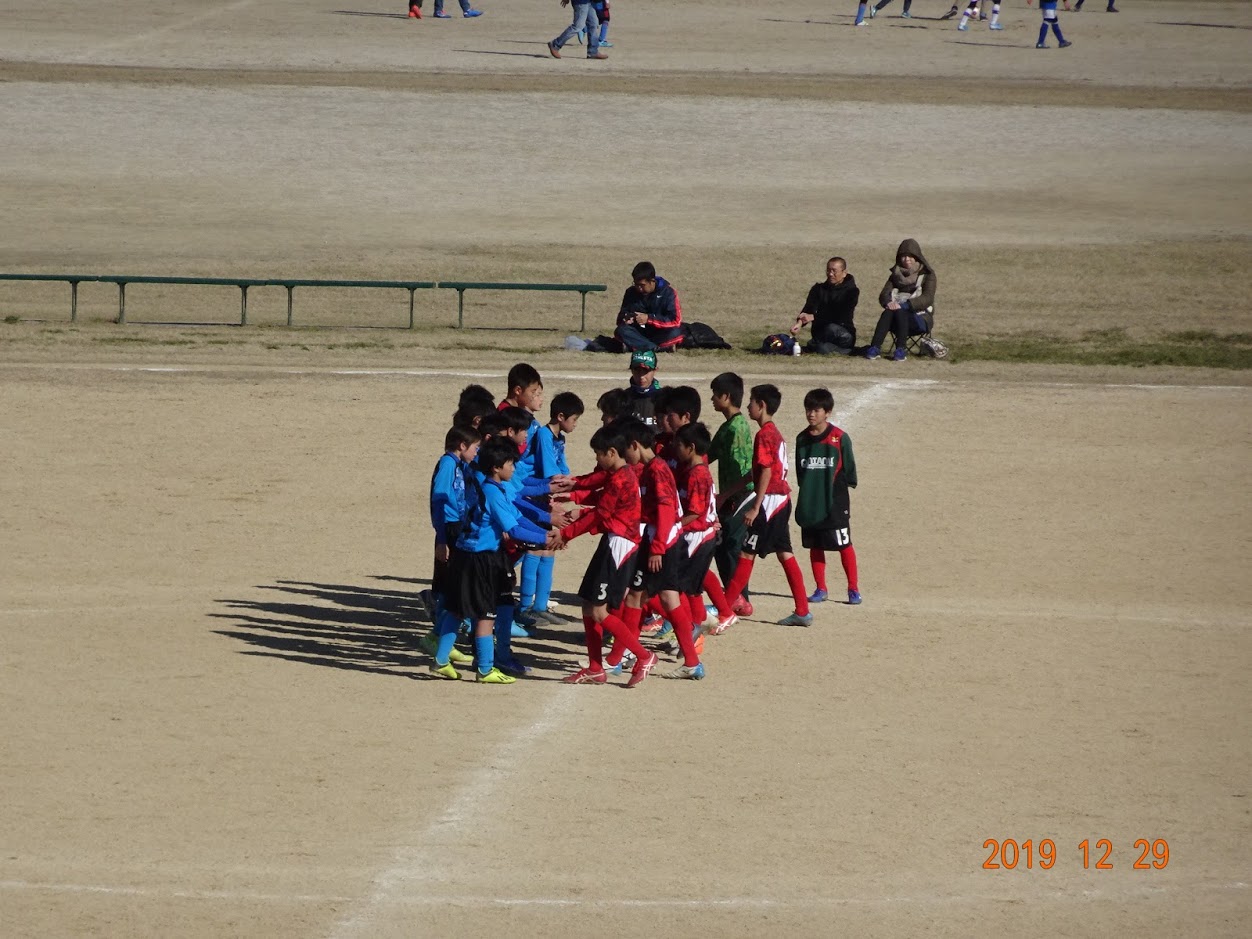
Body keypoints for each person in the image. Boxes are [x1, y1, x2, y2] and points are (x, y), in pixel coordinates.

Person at [547, 425, 658, 686]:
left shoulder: (620, 479)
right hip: (613, 542)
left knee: (598, 610)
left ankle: (644, 656)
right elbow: (598, 493)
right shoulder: (621, 474)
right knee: (588, 604)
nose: (597, 459)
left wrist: (566, 534)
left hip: (618, 547)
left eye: (599, 454)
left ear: (611, 452)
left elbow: (600, 514)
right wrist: (574, 490)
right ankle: (596, 667)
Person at [432, 438, 549, 683]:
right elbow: (514, 529)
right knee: (486, 615)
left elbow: (516, 517)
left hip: (463, 556)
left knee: (456, 610)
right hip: (480, 560)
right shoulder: (494, 493)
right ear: (496, 467)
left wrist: (545, 532)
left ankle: (441, 661)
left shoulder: (486, 487)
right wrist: (546, 539)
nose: (514, 469)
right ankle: (485, 669)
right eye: (510, 464)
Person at [722, 384, 814, 628]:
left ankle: (724, 609)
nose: (748, 406)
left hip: (770, 501)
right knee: (784, 553)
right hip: (781, 500)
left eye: (752, 401)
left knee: (746, 552)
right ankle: (802, 611)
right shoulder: (773, 433)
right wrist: (726, 494)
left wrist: (756, 506)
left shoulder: (764, 435)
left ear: (761, 405)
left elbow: (765, 472)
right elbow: (755, 472)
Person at [517, 392, 584, 626]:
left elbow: (562, 469)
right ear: (561, 416)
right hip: (532, 493)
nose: (575, 424)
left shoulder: (559, 438)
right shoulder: (544, 435)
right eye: (574, 419)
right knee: (535, 549)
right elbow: (550, 471)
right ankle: (525, 607)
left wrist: (572, 483)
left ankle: (540, 606)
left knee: (548, 549)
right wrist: (570, 487)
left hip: (544, 493)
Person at [795, 389, 862, 607]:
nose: (811, 414)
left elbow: (849, 470)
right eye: (808, 409)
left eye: (816, 410)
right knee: (815, 545)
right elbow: (800, 473)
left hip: (835, 501)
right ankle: (821, 588)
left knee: (844, 543)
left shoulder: (840, 438)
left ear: (827, 412)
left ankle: (853, 589)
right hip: (811, 500)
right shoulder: (802, 439)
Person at [707, 372, 754, 623]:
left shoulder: (736, 429)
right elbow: (708, 455)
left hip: (739, 496)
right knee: (724, 547)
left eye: (715, 394)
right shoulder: (728, 427)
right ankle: (734, 597)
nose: (712, 399)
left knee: (731, 547)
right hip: (732, 495)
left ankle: (739, 598)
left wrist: (725, 495)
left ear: (726, 397)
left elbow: (744, 472)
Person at [864, 238, 937, 362]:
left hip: (920, 317)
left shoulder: (928, 275)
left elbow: (928, 298)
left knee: (899, 310)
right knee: (888, 311)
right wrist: (889, 303)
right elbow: (884, 295)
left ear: (917, 257)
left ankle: (899, 349)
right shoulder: (895, 275)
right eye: (903, 256)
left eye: (910, 256)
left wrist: (906, 305)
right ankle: (875, 348)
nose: (906, 259)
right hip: (895, 318)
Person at [790, 257, 860, 356]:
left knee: (830, 328)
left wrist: (814, 317)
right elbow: (808, 309)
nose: (830, 274)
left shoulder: (852, 292)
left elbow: (841, 315)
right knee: (822, 348)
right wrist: (799, 323)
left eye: (834, 271)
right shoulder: (818, 289)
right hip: (822, 334)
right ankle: (826, 348)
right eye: (828, 270)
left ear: (844, 273)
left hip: (844, 334)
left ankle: (817, 345)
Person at [614, 261, 685, 353]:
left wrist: (649, 319)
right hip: (639, 332)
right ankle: (656, 348)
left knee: (676, 332)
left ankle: (637, 346)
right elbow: (620, 319)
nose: (639, 288)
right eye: (636, 284)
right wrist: (626, 318)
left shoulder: (668, 293)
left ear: (652, 281)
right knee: (621, 331)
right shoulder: (630, 292)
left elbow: (675, 320)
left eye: (642, 285)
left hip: (661, 332)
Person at [625, 349, 665, 426]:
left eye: (646, 371)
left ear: (655, 370)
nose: (641, 376)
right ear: (632, 370)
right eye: (637, 370)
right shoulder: (623, 399)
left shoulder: (664, 399)